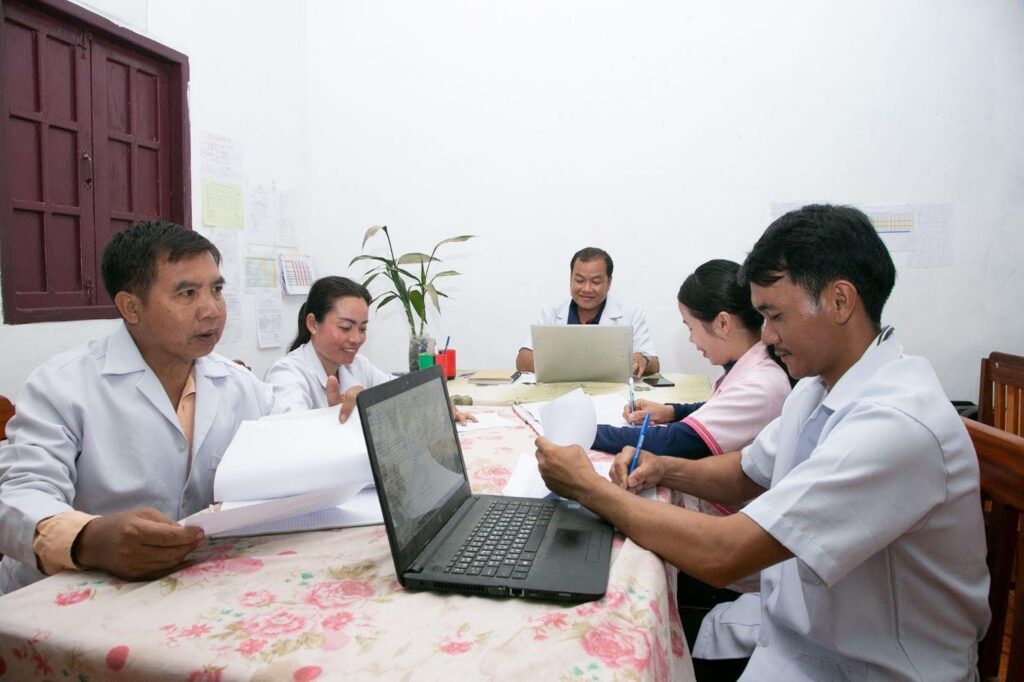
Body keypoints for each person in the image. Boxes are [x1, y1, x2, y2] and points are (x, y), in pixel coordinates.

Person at [535, 205, 990, 680]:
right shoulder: (817, 388)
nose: (767, 336)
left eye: (775, 316)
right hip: (795, 630)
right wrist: (663, 467)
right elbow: (745, 473)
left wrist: (589, 488)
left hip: (868, 667)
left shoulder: (895, 425)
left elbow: (725, 553)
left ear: (839, 302)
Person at [0, 221, 307, 594]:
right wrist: (89, 538)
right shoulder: (62, 386)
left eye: (217, 290)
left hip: (188, 586)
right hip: (67, 594)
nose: (211, 310)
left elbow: (294, 437)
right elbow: (18, 497)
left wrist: (338, 423)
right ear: (131, 306)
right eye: (187, 293)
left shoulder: (236, 382)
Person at [592, 259, 791, 465]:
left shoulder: (760, 386)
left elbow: (672, 442)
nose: (691, 339)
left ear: (723, 323)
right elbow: (719, 409)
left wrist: (590, 431)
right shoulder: (750, 370)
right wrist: (672, 412)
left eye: (690, 327)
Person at [265, 275, 475, 425]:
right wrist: (334, 418)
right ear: (312, 324)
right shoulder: (286, 374)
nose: (356, 339)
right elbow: (290, 439)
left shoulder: (357, 366)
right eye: (345, 328)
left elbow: (403, 391)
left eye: (363, 328)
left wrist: (437, 400)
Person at [515, 247, 660, 377]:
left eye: (596, 282)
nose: (587, 289)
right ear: (570, 279)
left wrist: (643, 359)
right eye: (579, 280)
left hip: (612, 395)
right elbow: (523, 359)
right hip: (560, 393)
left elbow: (654, 364)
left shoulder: (631, 314)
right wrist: (584, 365)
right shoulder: (550, 313)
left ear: (609, 283)